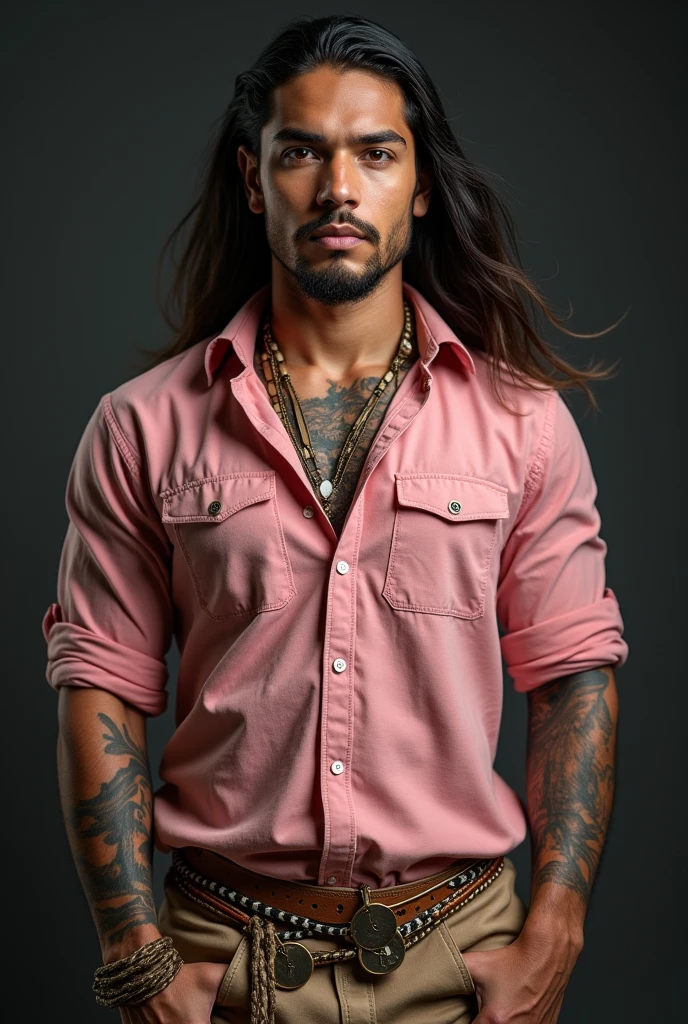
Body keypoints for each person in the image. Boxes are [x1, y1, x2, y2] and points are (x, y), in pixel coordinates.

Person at [43, 14, 629, 1024]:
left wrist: (557, 924)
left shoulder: (523, 427)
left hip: (459, 961)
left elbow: (572, 675)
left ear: (423, 183)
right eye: (301, 151)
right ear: (250, 178)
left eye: (376, 152)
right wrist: (136, 950)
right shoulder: (139, 428)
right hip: (218, 960)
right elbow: (101, 684)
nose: (338, 187)